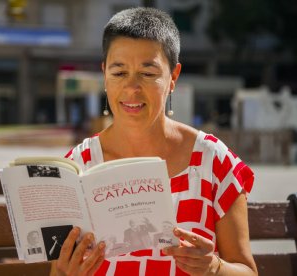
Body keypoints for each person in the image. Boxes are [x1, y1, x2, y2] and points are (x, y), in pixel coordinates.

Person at [51, 7, 257, 276]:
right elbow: (58, 272)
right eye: (119, 72)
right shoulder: (76, 167)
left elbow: (247, 271)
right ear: (104, 75)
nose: (132, 88)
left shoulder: (212, 161)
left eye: (148, 74)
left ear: (173, 77)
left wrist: (214, 268)